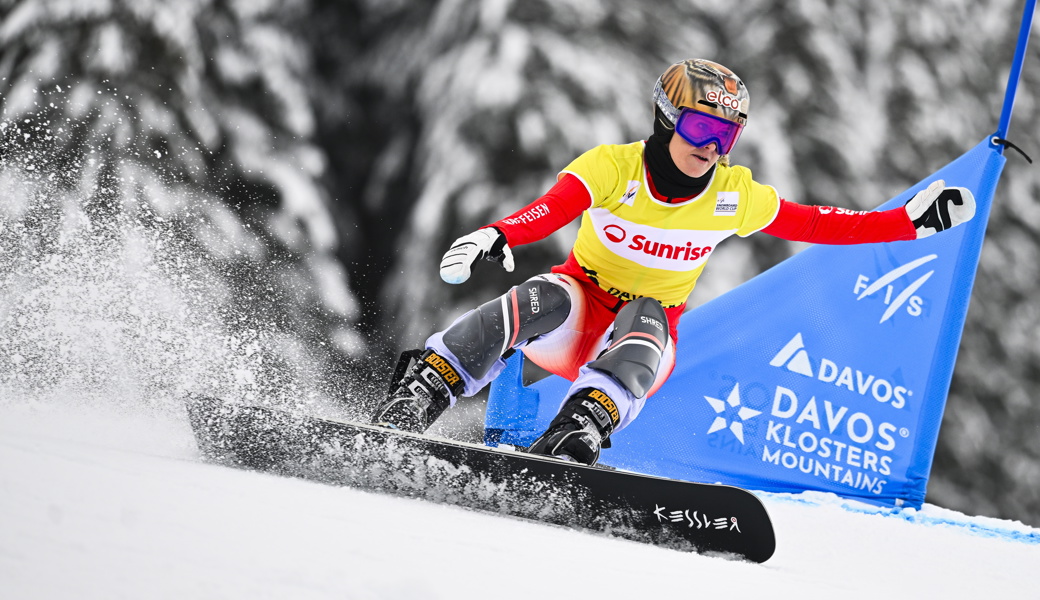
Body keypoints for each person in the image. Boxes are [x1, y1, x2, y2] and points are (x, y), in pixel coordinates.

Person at [371, 59, 976, 465]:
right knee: (545, 295)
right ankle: (422, 392)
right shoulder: (615, 166)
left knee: (648, 316)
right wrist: (499, 233)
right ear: (666, 118)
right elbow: (559, 205)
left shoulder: (733, 195)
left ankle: (576, 432)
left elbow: (814, 222)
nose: (708, 148)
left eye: (725, 137)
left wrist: (909, 223)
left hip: (639, 341)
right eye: (697, 126)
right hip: (571, 319)